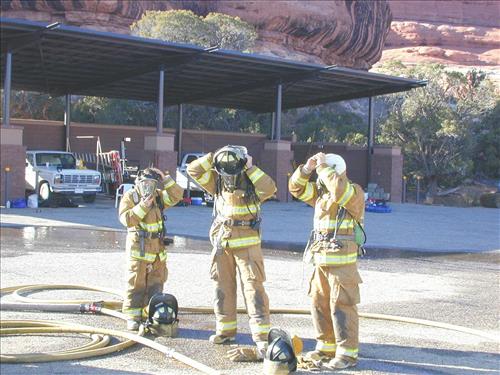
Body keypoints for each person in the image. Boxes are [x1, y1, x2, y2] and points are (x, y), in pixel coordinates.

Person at [187, 145, 277, 361]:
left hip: (248, 245)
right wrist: (213, 156)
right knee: (222, 287)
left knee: (253, 289)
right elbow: (193, 171)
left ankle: (261, 336)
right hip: (223, 242)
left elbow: (270, 188)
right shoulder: (217, 182)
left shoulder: (253, 183)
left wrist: (251, 167)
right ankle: (225, 330)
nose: (229, 172)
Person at [288, 152, 365, 369]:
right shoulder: (321, 195)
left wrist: (322, 168)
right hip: (320, 260)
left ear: (335, 171)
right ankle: (325, 347)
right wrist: (307, 169)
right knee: (319, 303)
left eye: (326, 171)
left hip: (342, 263)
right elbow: (296, 188)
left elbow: (340, 191)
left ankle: (347, 354)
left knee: (342, 305)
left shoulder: (354, 192)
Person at [119, 167, 184, 330]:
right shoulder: (131, 197)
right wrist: (142, 206)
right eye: (145, 184)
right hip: (139, 249)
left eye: (152, 184)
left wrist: (166, 177)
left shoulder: (159, 197)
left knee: (156, 283)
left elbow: (177, 195)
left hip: (157, 250)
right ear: (138, 183)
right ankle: (133, 317)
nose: (148, 187)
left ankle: (151, 313)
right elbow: (126, 219)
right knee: (136, 283)